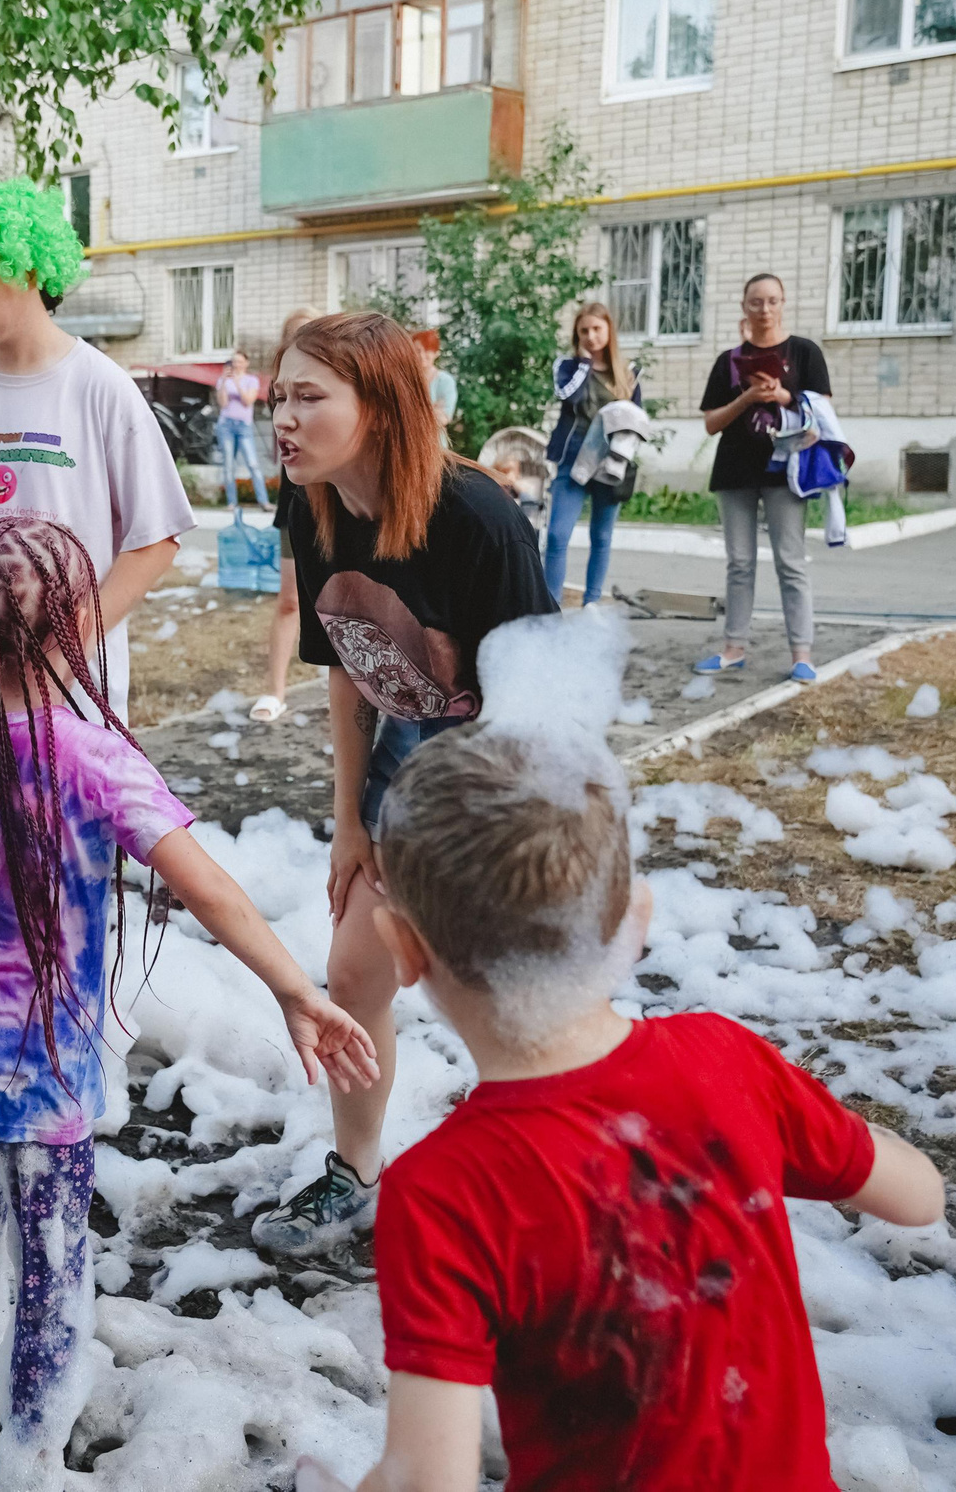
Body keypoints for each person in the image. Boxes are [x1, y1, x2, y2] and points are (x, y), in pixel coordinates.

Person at [0, 517, 377, 1489]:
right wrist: (295, 988)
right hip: (44, 1067)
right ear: (76, 624)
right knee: (51, 1262)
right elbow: (209, 889)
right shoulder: (93, 756)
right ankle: (31, 1456)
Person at [318, 721, 944, 1492]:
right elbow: (919, 1197)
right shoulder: (727, 1058)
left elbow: (427, 1480)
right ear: (635, 921)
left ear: (402, 948)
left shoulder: (445, 1191)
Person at [251, 310, 555, 1256]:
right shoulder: (312, 505)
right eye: (278, 397)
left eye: (309, 397)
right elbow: (348, 668)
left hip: (503, 772)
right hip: (406, 754)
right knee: (353, 973)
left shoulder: (476, 517)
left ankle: (547, 1194)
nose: (283, 418)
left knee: (498, 998)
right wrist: (350, 818)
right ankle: (355, 1175)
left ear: (379, 407)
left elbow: (541, 695)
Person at [0, 175, 195, 722]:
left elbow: (157, 540)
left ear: (28, 268)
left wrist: (67, 649)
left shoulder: (100, 386)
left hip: (68, 703)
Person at [697, 273, 830, 683]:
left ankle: (802, 655)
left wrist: (784, 396)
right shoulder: (729, 360)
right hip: (735, 470)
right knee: (739, 562)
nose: (765, 310)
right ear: (744, 307)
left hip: (786, 472)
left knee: (790, 562)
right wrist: (748, 397)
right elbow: (711, 423)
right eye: (756, 302)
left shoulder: (804, 352)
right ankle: (733, 648)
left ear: (783, 303)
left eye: (772, 301)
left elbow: (823, 414)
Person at [542, 301, 645, 609]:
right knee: (557, 536)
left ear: (609, 330)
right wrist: (585, 364)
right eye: (584, 330)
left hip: (610, 464)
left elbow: (637, 420)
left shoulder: (628, 373)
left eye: (597, 329)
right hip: (572, 460)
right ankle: (551, 608)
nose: (591, 336)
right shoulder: (567, 366)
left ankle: (591, 604)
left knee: (601, 537)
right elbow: (569, 396)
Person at [251, 311, 321, 725]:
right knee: (290, 600)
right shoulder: (281, 395)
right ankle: (275, 690)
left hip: (337, 504)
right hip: (295, 506)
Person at [214, 350, 269, 512]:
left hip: (244, 426)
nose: (236, 365)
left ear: (246, 363)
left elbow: (247, 401)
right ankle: (232, 502)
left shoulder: (252, 380)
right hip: (226, 425)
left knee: (252, 463)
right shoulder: (223, 380)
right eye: (234, 361)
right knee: (228, 464)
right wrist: (224, 382)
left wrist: (237, 382)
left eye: (239, 361)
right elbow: (223, 403)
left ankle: (264, 502)